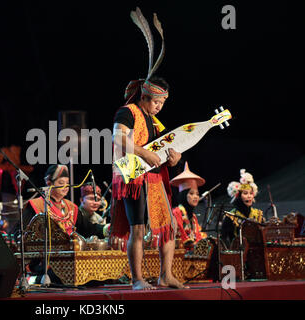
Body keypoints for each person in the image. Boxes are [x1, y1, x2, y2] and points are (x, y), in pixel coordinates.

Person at [110, 8, 185, 291]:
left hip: (154, 177)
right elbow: (119, 141)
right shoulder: (126, 112)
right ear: (144, 96)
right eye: (156, 102)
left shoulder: (156, 122)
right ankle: (137, 279)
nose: (159, 107)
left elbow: (167, 150)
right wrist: (144, 153)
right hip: (133, 176)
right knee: (138, 228)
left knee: (169, 228)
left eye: (162, 104)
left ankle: (165, 275)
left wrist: (176, 159)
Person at [221, 169, 264, 247]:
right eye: (245, 193)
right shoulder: (231, 216)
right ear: (238, 196)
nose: (249, 196)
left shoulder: (258, 214)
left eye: (251, 193)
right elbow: (223, 238)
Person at [170, 162, 207, 250]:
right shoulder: (176, 212)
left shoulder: (193, 216)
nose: (195, 197)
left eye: (197, 194)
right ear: (184, 195)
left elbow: (197, 236)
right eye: (191, 193)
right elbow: (181, 236)